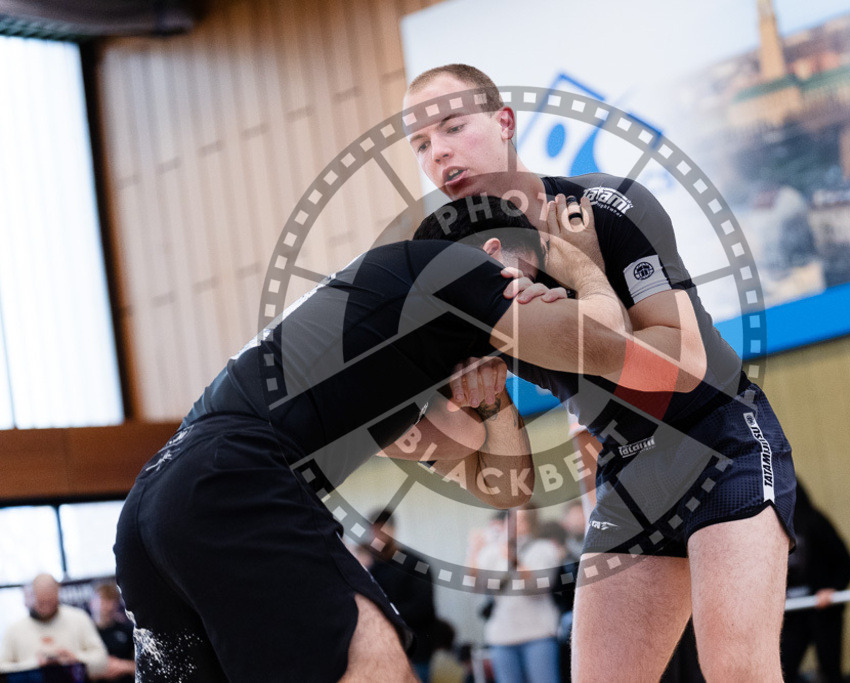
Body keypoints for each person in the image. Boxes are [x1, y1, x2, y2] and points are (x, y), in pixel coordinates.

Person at [114, 194, 668, 682]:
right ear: (495, 251)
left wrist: (494, 397)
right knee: (377, 668)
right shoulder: (462, 267)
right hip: (227, 477)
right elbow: (607, 342)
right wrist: (576, 260)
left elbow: (507, 487)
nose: (543, 294)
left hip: (154, 505)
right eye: (537, 278)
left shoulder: (385, 347)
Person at [404, 64, 797, 681]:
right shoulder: (459, 276)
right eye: (421, 144)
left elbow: (686, 369)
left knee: (738, 672)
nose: (439, 152)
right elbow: (505, 481)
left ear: (505, 122)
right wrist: (488, 406)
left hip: (718, 438)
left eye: (452, 126)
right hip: (629, 467)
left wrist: (586, 280)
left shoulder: (608, 207)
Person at [467, 506, 563, 683]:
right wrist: (474, 551)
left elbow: (539, 585)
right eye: (511, 520)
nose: (514, 525)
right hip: (502, 636)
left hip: (539, 634)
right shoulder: (493, 552)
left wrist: (513, 559)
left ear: (531, 522)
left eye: (521, 520)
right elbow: (475, 585)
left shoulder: (543, 548)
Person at [780, 480, 850, 683]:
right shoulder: (769, 528)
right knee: (783, 670)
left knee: (830, 671)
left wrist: (832, 589)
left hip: (823, 611)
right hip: (791, 615)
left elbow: (845, 563)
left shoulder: (815, 521)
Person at [365, 508, 437, 682]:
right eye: (374, 531)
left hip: (416, 649)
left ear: (393, 530)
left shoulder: (416, 564)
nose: (378, 536)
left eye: (382, 529)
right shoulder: (372, 568)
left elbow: (423, 607)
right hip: (385, 651)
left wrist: (387, 617)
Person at [0, 574, 108, 677]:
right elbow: (3, 668)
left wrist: (74, 658)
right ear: (29, 597)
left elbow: (102, 661)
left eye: (50, 601)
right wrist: (36, 664)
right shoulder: (14, 629)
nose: (46, 608)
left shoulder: (79, 618)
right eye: (41, 602)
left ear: (57, 593)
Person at [89, 583, 135, 683]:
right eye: (103, 601)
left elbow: (143, 664)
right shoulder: (85, 631)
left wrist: (123, 666)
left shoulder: (127, 629)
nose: (108, 607)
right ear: (92, 603)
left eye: (112, 601)